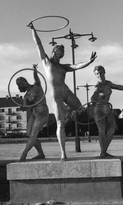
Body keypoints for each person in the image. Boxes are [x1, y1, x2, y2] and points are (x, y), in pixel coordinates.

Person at [28, 23, 97, 161]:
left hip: (65, 91)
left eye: (63, 52)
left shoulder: (63, 66)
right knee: (60, 123)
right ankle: (63, 153)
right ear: (54, 51)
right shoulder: (47, 62)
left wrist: (89, 62)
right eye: (60, 50)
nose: (62, 53)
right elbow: (39, 44)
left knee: (80, 107)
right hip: (57, 95)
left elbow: (76, 66)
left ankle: (67, 110)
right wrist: (33, 29)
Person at [91, 65, 123, 158]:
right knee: (101, 130)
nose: (99, 75)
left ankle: (103, 152)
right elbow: (92, 98)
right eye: (97, 74)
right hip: (99, 108)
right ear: (96, 75)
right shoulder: (97, 86)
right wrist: (96, 99)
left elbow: (118, 87)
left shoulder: (108, 83)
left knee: (111, 130)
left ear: (104, 72)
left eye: (100, 73)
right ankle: (103, 152)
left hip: (107, 108)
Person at [16, 64, 49, 162]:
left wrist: (34, 70)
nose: (20, 86)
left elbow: (36, 77)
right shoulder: (26, 96)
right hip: (34, 113)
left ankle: (24, 153)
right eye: (19, 85)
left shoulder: (36, 86)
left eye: (20, 84)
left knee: (34, 133)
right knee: (29, 133)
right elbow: (26, 108)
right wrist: (22, 107)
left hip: (42, 111)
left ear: (24, 81)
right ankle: (41, 153)